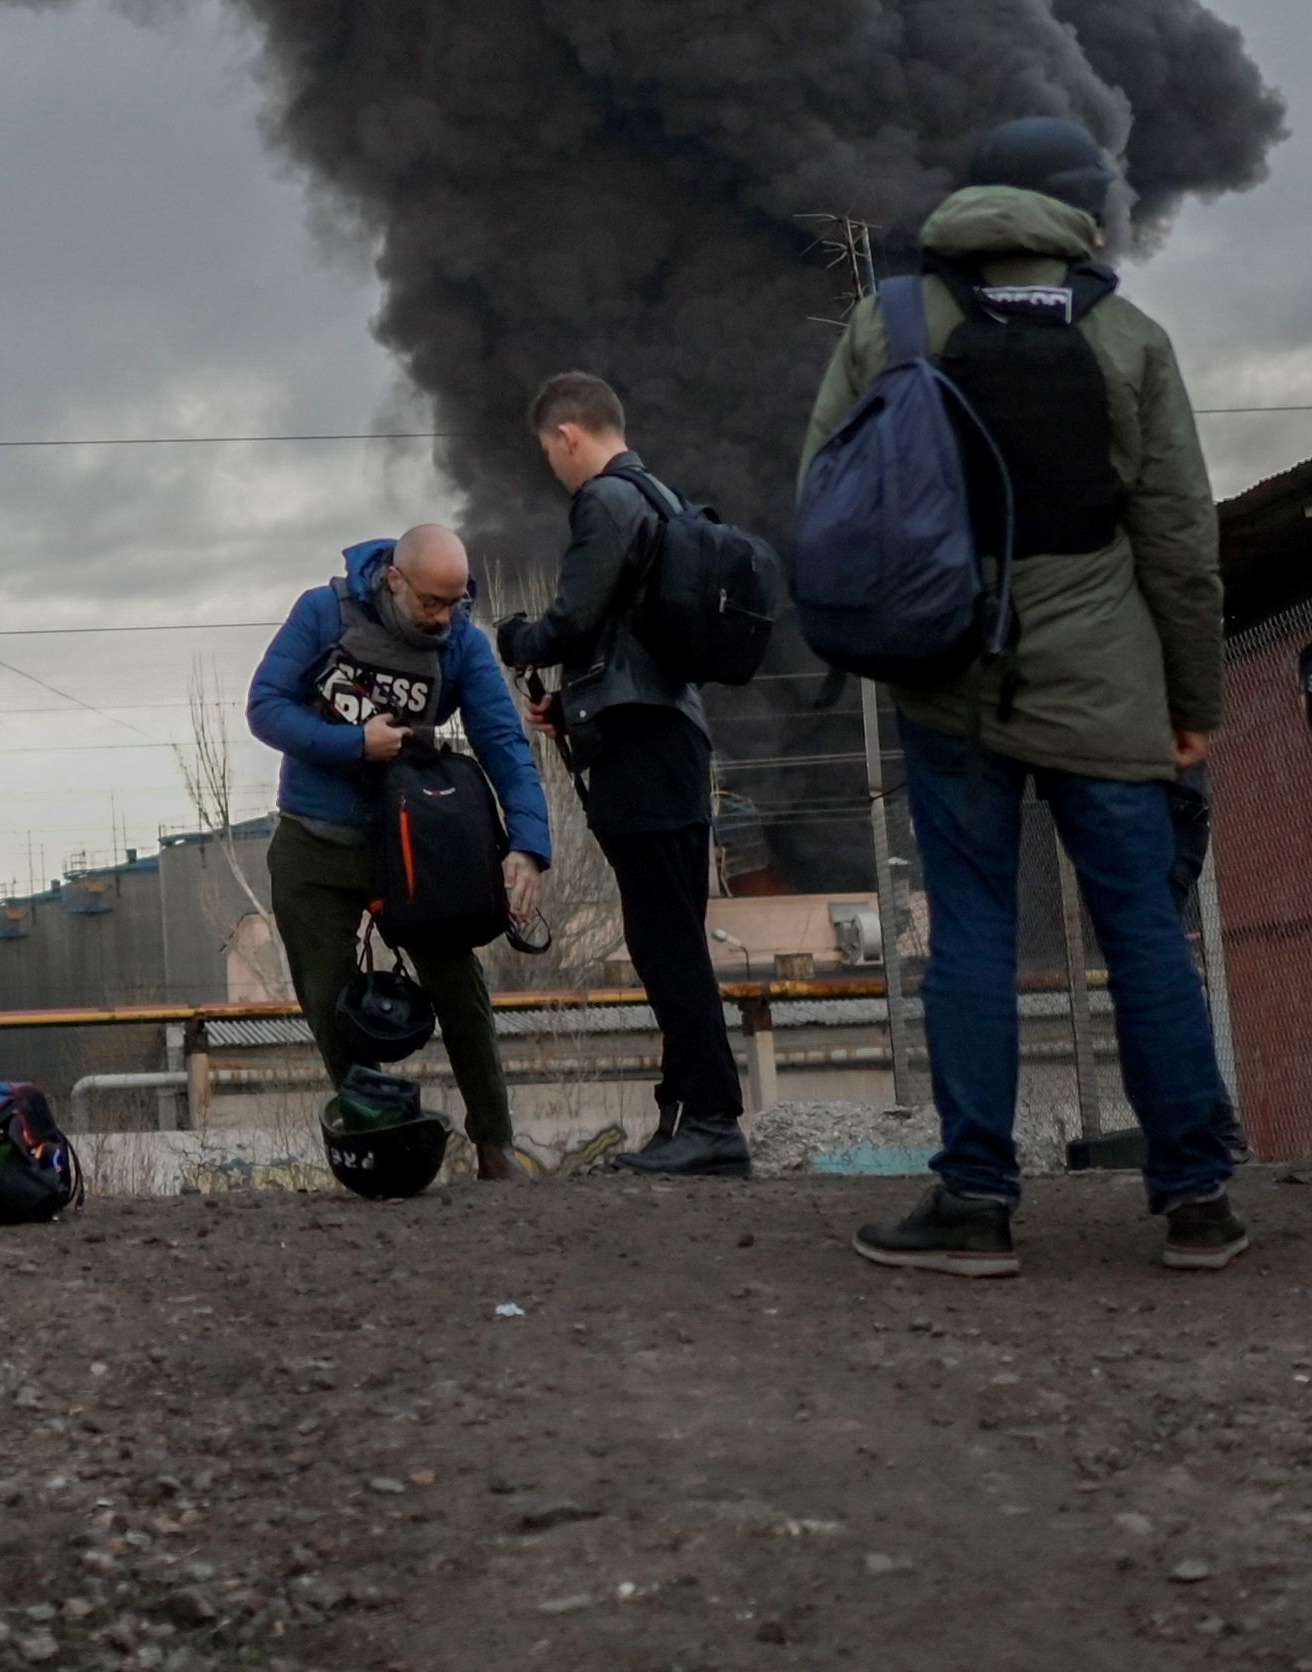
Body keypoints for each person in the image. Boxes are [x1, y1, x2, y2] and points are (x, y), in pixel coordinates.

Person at [814, 114, 1252, 1279]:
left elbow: (828, 492)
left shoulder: (894, 319)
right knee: (1143, 933)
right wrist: (1192, 697)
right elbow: (1179, 543)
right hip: (1107, 684)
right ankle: (1197, 1198)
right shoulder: (1128, 335)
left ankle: (975, 1200)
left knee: (970, 932)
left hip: (950, 676)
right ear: (1082, 214)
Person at [498, 379, 752, 1175]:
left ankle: (711, 1122)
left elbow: (571, 620)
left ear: (568, 434)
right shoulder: (661, 495)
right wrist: (575, 703)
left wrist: (516, 638)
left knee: (665, 939)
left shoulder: (604, 501)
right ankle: (685, 1120)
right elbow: (627, 639)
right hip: (668, 734)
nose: (553, 468)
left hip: (643, 750)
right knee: (667, 933)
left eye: (548, 453)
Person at [246, 522, 553, 1176]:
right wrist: (355, 746)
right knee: (327, 996)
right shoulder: (323, 612)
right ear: (393, 579)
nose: (443, 618)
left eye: (454, 602)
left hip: (416, 843)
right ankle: (377, 1140)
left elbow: (506, 746)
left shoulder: (463, 644)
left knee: (456, 981)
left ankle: (495, 1144)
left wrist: (528, 845)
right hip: (316, 839)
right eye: (430, 603)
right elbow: (266, 707)